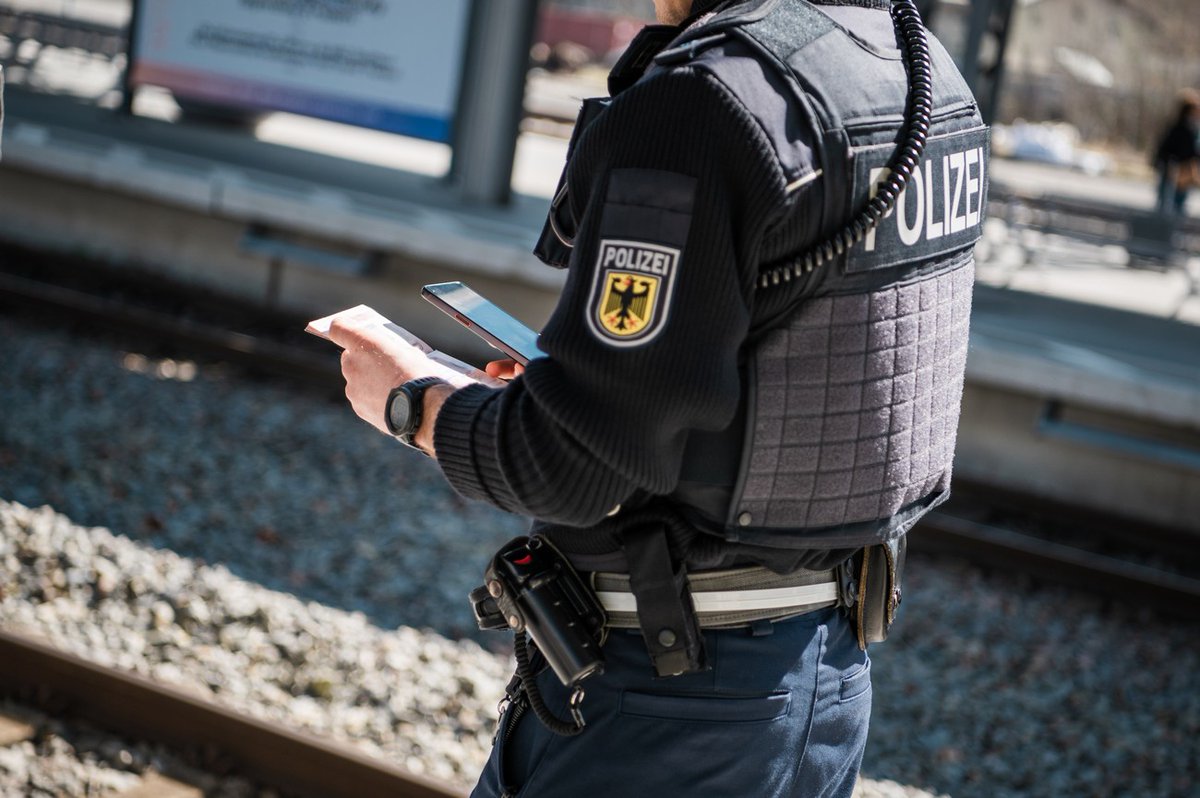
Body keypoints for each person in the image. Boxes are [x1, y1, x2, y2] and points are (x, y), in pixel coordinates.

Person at [327, 0, 987, 795]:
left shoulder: (706, 102)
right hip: (820, 678)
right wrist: (576, 392)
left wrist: (413, 400)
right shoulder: (917, 69)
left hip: (666, 703)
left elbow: (569, 471)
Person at [1153, 90, 1199, 215]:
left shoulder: (1192, 127)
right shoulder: (1183, 127)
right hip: (1174, 165)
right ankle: (1166, 222)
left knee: (1176, 198)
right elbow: (1180, 149)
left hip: (1181, 166)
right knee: (1169, 198)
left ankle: (1171, 218)